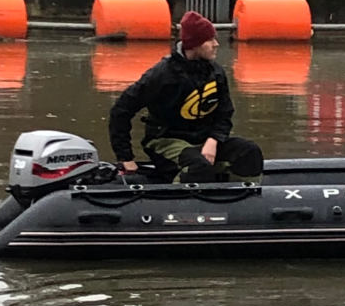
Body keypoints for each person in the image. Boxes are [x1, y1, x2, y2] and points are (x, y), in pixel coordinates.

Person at [108, 10, 264, 183]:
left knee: (250, 152)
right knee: (197, 166)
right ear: (194, 44)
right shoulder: (162, 75)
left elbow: (224, 114)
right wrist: (125, 158)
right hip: (166, 140)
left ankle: (239, 200)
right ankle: (178, 203)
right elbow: (121, 110)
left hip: (204, 139)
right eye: (209, 40)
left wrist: (213, 140)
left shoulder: (216, 72)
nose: (216, 44)